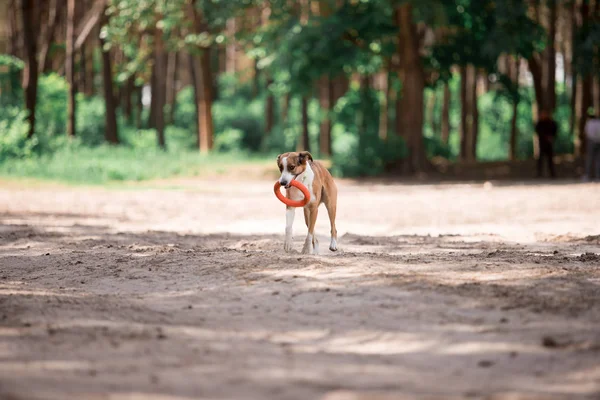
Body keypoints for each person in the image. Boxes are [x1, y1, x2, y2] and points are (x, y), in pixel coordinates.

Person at [535, 110, 558, 178]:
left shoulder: (551, 123)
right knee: (540, 160)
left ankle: (552, 174)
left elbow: (555, 130)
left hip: (549, 144)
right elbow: (538, 131)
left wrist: (551, 137)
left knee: (550, 159)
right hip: (542, 144)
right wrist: (545, 137)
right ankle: (539, 173)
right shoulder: (540, 123)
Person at [583, 110, 600, 182]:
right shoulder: (599, 122)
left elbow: (586, 132)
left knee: (589, 158)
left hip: (591, 141)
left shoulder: (589, 123)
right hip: (599, 141)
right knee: (598, 159)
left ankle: (587, 175)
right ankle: (597, 176)